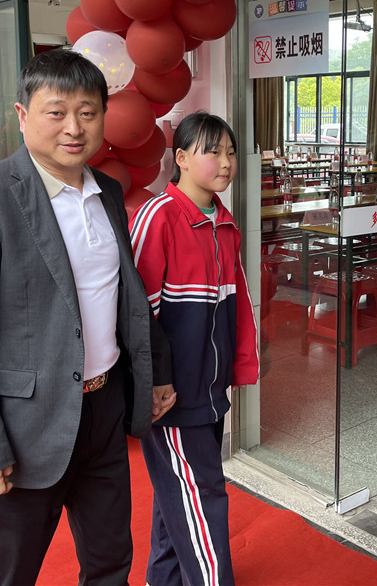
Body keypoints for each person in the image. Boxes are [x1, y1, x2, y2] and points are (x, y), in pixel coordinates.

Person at [0, 48, 177, 586]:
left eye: (88, 113)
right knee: (6, 574)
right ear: (23, 116)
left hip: (105, 411)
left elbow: (127, 297)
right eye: (57, 112)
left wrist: (157, 371)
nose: (74, 128)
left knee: (110, 564)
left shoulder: (107, 193)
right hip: (26, 427)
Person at [129, 112, 260, 586]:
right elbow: (135, 314)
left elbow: (236, 306)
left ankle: (163, 579)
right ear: (181, 158)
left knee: (179, 493)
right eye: (214, 151)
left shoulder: (223, 222)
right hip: (172, 396)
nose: (226, 162)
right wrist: (152, 383)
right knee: (202, 495)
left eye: (231, 152)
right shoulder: (158, 218)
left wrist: (239, 369)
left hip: (208, 388)